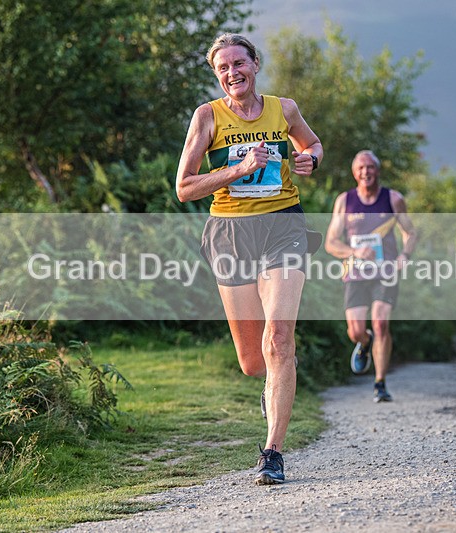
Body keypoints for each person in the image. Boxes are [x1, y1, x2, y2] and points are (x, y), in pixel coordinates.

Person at [176, 33, 323, 485]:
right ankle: (271, 386)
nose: (232, 73)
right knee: (252, 361)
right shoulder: (207, 117)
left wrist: (309, 161)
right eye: (222, 68)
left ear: (255, 64)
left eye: (239, 63)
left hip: (284, 226)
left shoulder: (285, 109)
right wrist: (237, 170)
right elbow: (184, 187)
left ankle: (273, 452)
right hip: (230, 233)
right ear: (216, 74)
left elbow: (312, 145)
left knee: (279, 339)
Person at [325, 150, 416, 403]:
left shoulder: (393, 199)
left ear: (377, 171)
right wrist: (354, 251)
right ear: (355, 173)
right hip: (355, 273)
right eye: (361, 168)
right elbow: (331, 243)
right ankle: (364, 344)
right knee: (355, 330)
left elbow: (411, 233)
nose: (366, 172)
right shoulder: (345, 201)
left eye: (370, 167)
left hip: (385, 272)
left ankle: (380, 382)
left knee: (380, 323)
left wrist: (404, 256)